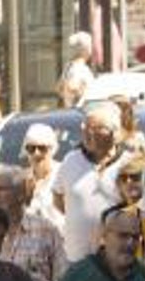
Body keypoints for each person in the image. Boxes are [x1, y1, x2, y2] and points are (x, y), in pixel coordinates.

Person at [51, 102, 127, 263]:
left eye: (96, 130)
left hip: (117, 262)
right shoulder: (71, 160)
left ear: (114, 133)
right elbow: (58, 199)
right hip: (76, 259)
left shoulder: (128, 164)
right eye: (85, 129)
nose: (88, 134)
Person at [56, 31, 95, 107]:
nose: (91, 50)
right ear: (85, 49)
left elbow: (58, 88)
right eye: (90, 46)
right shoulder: (79, 68)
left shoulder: (69, 66)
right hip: (80, 111)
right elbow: (71, 87)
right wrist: (82, 91)